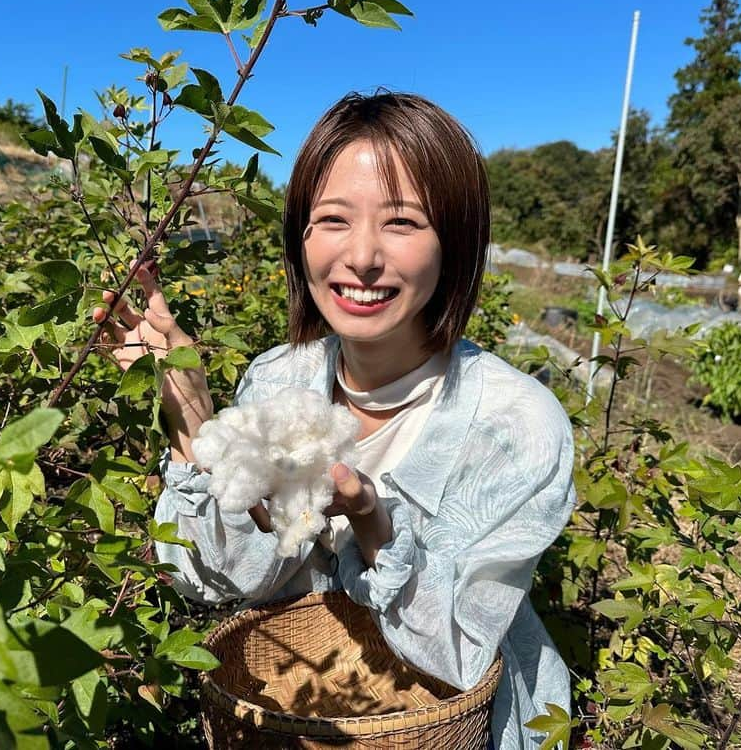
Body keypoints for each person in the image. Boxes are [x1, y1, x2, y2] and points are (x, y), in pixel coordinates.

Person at [93, 92, 576, 749]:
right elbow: (211, 577)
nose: (363, 256)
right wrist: (191, 417)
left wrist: (373, 523)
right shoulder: (278, 378)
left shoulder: (515, 424)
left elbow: (460, 654)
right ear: (302, 238)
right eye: (333, 220)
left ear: (455, 242)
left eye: (403, 222)